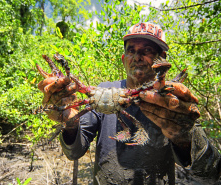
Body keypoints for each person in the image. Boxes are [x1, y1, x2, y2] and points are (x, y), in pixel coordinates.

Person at [38, 22, 220, 184]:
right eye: (131, 50)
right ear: (124, 59)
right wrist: (69, 122)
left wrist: (185, 136)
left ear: (162, 59)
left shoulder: (172, 103)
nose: (137, 56)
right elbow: (74, 152)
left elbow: (210, 174)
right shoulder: (103, 89)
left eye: (147, 50)